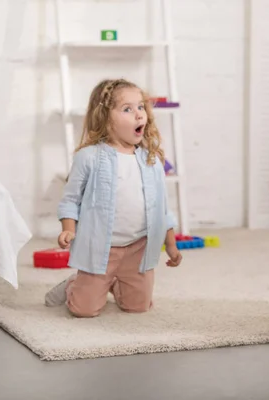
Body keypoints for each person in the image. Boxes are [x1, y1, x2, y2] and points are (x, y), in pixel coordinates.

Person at [44, 78, 182, 317]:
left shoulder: (151, 160)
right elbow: (70, 200)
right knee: (83, 311)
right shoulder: (88, 157)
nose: (139, 115)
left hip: (139, 247)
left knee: (138, 307)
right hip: (100, 248)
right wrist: (68, 229)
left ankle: (116, 283)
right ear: (105, 118)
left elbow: (163, 208)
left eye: (141, 107)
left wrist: (170, 244)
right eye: (127, 109)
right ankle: (73, 286)